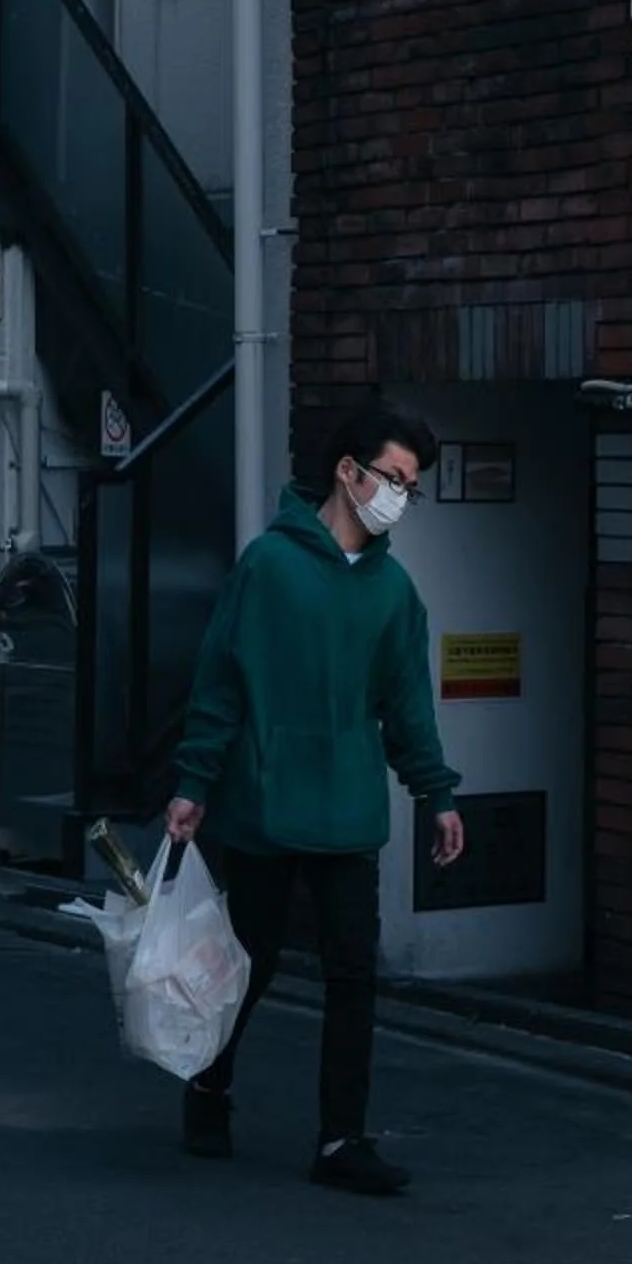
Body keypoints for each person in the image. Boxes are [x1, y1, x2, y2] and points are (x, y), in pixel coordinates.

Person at [164, 398, 464, 1195]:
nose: (401, 495)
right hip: (263, 804)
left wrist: (436, 793)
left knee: (353, 974)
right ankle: (209, 1087)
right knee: (247, 967)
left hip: (349, 809)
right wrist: (194, 784)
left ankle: (342, 1141)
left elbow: (408, 705)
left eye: (411, 485)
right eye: (395, 477)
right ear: (348, 471)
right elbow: (222, 681)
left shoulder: (394, 592)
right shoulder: (268, 566)